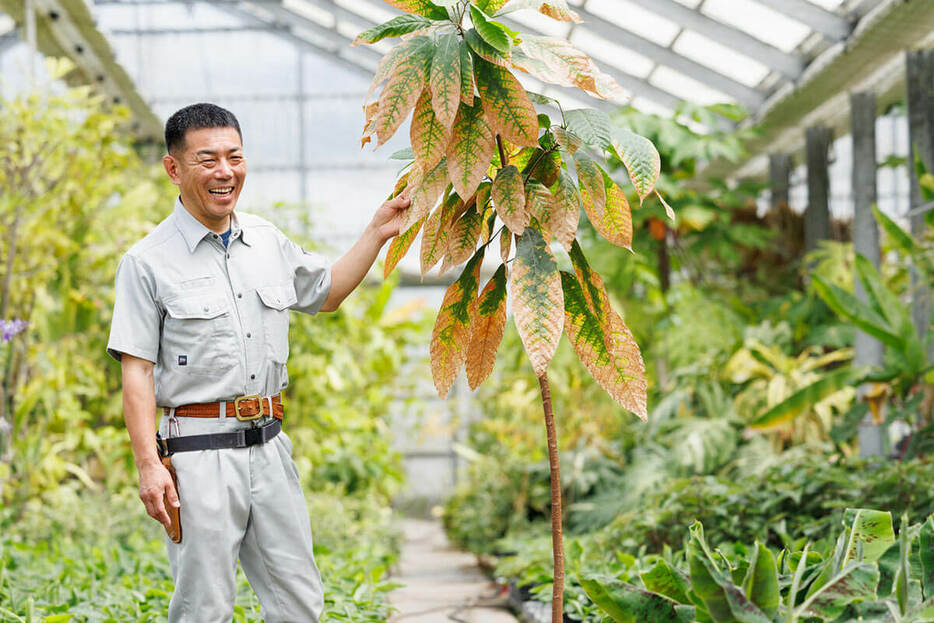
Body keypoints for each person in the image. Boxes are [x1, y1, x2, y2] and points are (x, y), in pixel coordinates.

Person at [106, 102, 409, 622]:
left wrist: (376, 233)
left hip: (270, 447)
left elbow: (327, 292)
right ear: (173, 169)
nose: (225, 172)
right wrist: (148, 466)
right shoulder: (147, 262)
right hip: (198, 457)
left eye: (234, 157)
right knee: (204, 608)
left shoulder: (266, 240)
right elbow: (136, 371)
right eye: (207, 160)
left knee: (299, 601)